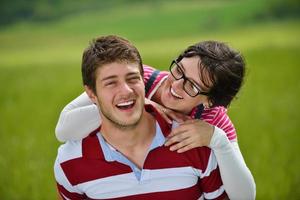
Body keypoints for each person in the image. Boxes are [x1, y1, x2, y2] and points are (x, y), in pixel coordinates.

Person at [55, 39, 256, 199]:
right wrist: (141, 103)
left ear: (210, 101)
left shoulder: (213, 119)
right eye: (179, 70)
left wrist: (217, 140)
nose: (176, 84)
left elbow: (245, 196)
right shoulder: (138, 80)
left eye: (192, 86)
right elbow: (63, 129)